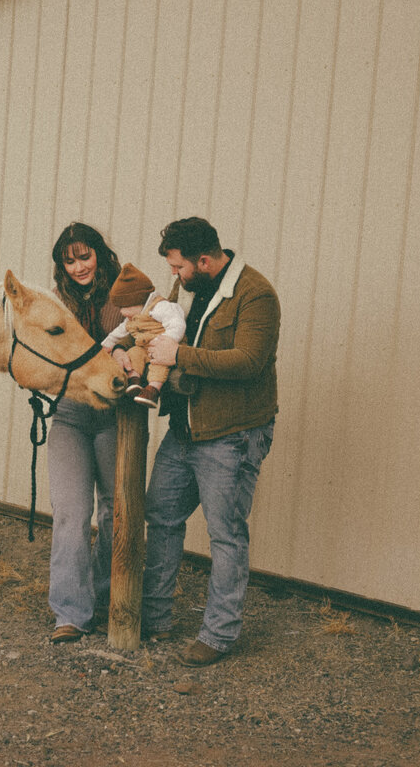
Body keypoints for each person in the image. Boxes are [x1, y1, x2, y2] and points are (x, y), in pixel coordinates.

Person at [140, 216, 279, 666]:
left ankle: (218, 635)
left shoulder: (256, 294)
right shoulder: (193, 291)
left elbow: (249, 361)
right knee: (160, 517)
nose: (174, 277)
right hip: (183, 431)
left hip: (230, 437)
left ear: (203, 260)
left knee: (226, 535)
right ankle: (155, 617)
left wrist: (178, 355)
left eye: (179, 268)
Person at [45, 222, 123, 644]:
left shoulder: (123, 295)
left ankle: (107, 597)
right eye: (69, 260)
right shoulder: (55, 304)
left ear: (99, 253)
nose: (78, 267)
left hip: (114, 415)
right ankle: (70, 613)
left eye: (84, 256)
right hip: (71, 415)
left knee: (115, 511)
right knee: (72, 513)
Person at [100, 263, 186, 408]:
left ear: (137, 300)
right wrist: (105, 347)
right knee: (133, 353)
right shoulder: (132, 317)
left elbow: (177, 324)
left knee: (158, 364)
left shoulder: (159, 307)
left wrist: (165, 342)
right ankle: (134, 381)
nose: (121, 312)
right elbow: (118, 333)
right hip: (144, 348)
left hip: (164, 349)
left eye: (124, 307)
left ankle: (153, 390)